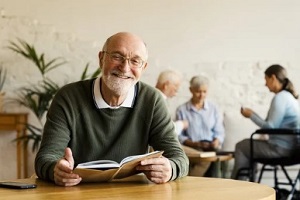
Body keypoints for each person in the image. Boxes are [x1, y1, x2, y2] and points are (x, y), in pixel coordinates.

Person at [35, 32, 189, 186]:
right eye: (117, 57)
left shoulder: (152, 100)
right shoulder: (68, 97)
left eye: (135, 61)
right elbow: (45, 158)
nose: (124, 68)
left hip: (133, 193)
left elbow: (179, 158)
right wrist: (55, 170)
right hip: (78, 191)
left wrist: (170, 168)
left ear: (144, 67)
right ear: (101, 59)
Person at [231, 64, 300, 180]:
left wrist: (251, 116)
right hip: (292, 149)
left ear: (273, 78)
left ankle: (237, 187)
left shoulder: (280, 98)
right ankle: (249, 185)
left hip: (281, 150)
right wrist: (253, 114)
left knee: (242, 146)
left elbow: (271, 127)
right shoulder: (290, 98)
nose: (265, 84)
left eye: (266, 80)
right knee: (250, 146)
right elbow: (273, 126)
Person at [176, 75, 225, 176]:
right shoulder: (182, 110)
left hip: (211, 146)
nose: (201, 95)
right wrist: (195, 144)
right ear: (191, 90)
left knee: (214, 157)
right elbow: (178, 135)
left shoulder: (213, 109)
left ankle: (212, 185)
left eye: (204, 92)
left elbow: (219, 131)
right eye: (198, 91)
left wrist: (217, 141)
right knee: (206, 158)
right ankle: (190, 184)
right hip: (193, 147)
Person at [155, 69, 189, 134]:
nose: (175, 94)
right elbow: (164, 130)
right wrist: (181, 124)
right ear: (166, 85)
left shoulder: (154, 97)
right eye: (175, 90)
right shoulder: (157, 101)